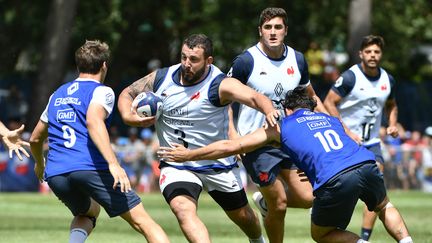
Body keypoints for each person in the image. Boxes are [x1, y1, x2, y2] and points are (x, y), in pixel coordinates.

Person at [158, 87, 413, 243]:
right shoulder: (329, 120)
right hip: (365, 162)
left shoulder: (280, 125)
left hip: (336, 177)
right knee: (383, 205)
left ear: (287, 110)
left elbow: (231, 147)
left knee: (322, 235)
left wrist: (189, 155)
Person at [117, 34, 278, 243]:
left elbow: (255, 97)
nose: (186, 64)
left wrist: (269, 111)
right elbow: (127, 94)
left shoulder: (220, 84)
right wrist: (129, 117)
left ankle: (258, 240)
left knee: (243, 217)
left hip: (217, 163)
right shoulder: (162, 78)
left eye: (193, 60)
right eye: (183, 57)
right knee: (182, 209)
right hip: (176, 163)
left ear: (208, 61)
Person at [29, 40, 169, 243]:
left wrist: (40, 164)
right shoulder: (102, 91)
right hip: (89, 168)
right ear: (104, 65)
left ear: (78, 66)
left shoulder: (56, 95)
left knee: (88, 213)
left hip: (56, 173)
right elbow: (93, 121)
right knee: (144, 222)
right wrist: (114, 164)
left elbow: (35, 138)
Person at [226, 7, 327, 242]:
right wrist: (234, 138)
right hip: (256, 142)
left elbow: (311, 97)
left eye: (278, 27)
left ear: (286, 30)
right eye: (268, 27)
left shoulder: (298, 59)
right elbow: (224, 101)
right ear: (260, 30)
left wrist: (332, 122)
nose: (273, 32)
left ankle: (263, 202)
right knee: (279, 204)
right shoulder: (246, 61)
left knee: (307, 198)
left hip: (289, 139)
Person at [323, 35, 399, 241]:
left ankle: (364, 238)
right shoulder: (350, 78)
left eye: (376, 52)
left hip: (372, 144)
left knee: (376, 193)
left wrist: (391, 123)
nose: (373, 55)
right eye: (368, 52)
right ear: (361, 54)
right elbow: (329, 102)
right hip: (345, 143)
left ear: (381, 54)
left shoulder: (387, 79)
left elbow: (392, 104)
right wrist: (346, 131)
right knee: (338, 190)